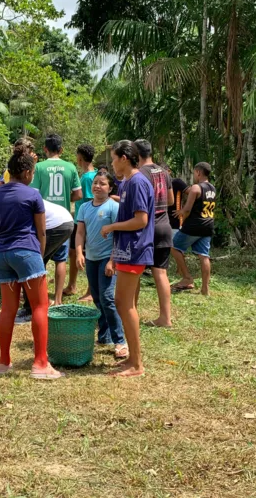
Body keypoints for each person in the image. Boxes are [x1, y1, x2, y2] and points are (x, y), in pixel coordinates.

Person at [0, 144, 64, 379]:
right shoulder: (32, 194)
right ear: (29, 173)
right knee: (40, 306)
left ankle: (3, 363)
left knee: (8, 309)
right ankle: (40, 363)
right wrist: (38, 257)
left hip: (2, 254)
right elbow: (42, 232)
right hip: (27, 252)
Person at [100, 140, 154, 378]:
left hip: (136, 248)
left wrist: (112, 226)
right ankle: (132, 358)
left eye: (113, 158)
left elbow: (141, 220)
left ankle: (137, 364)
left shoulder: (138, 182)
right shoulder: (127, 183)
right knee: (122, 301)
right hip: (126, 248)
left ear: (124, 158)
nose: (112, 164)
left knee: (125, 303)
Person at [76, 172, 128, 359]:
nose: (97, 186)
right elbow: (80, 232)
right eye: (96, 183)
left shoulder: (114, 207)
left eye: (103, 184)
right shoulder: (84, 207)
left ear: (110, 188)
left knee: (107, 298)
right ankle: (104, 335)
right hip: (91, 258)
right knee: (97, 298)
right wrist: (79, 251)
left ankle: (120, 341)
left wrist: (112, 261)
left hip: (107, 259)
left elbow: (119, 236)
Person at [31, 133, 82, 305]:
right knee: (61, 259)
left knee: (40, 256)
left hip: (44, 218)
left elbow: (34, 195)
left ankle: (39, 296)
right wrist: (66, 199)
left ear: (45, 149)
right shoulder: (70, 167)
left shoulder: (39, 168)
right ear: (61, 150)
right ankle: (58, 299)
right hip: (64, 220)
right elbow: (79, 194)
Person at [15, 199, 75, 324]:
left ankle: (31, 310)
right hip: (64, 220)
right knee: (37, 265)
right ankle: (38, 304)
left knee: (30, 265)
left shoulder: (13, 200)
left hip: (55, 225)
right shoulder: (19, 194)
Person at [135, 139, 174, 328]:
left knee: (134, 272)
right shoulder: (164, 172)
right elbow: (171, 200)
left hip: (147, 228)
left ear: (137, 155)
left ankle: (131, 311)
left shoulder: (140, 174)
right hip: (165, 226)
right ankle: (165, 318)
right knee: (161, 273)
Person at [172, 162, 216, 296]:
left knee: (173, 247)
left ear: (198, 172)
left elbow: (187, 209)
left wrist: (180, 214)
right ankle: (205, 289)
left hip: (194, 225)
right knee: (204, 256)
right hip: (208, 225)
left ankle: (187, 277)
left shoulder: (196, 188)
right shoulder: (212, 188)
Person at [63, 144, 96, 300]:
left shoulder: (89, 177)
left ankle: (90, 291)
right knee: (72, 252)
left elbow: (91, 200)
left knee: (88, 254)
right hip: (78, 220)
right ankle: (72, 285)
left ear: (80, 157)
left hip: (85, 222)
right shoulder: (84, 175)